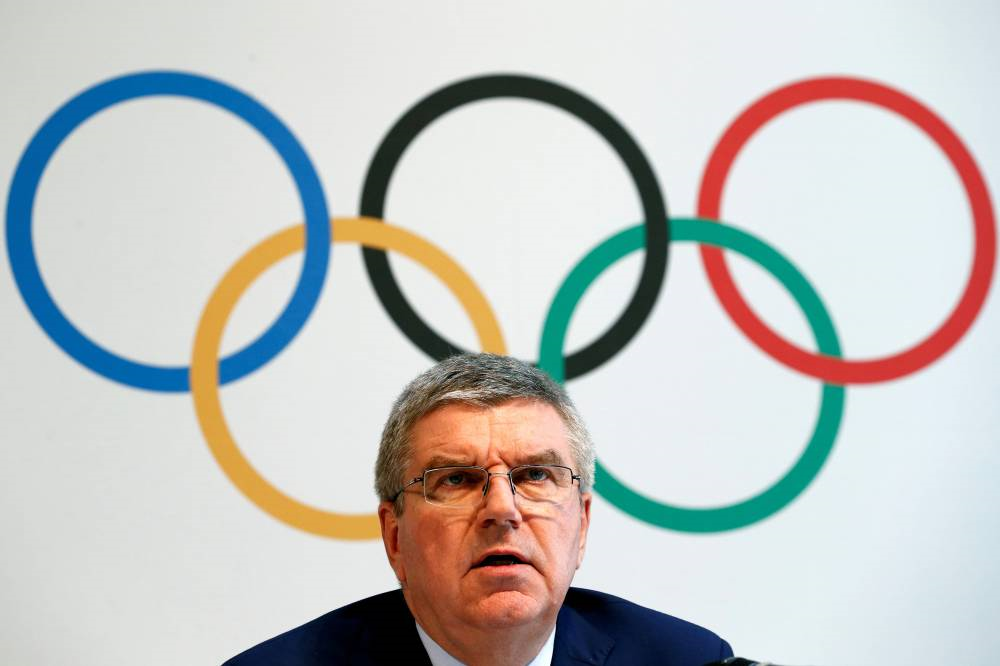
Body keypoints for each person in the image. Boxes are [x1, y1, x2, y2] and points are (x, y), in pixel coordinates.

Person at [224, 353, 733, 665]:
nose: (502, 509)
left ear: (582, 526)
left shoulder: (688, 661)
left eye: (535, 475)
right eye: (457, 480)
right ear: (395, 537)